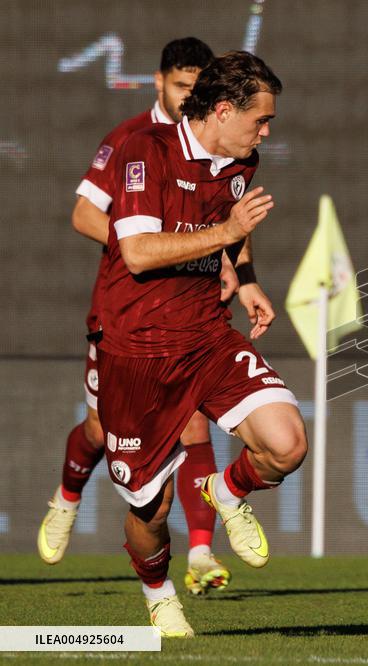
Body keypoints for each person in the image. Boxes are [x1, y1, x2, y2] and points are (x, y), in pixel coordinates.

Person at [99, 50, 307, 637]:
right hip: (136, 352)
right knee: (150, 510)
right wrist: (229, 233)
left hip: (205, 336)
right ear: (221, 110)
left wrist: (248, 280)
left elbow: (226, 233)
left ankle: (225, 489)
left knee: (286, 443)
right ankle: (158, 591)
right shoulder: (146, 151)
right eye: (260, 120)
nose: (266, 132)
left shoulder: (242, 163)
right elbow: (139, 254)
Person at [37, 37, 249, 597]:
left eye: (197, 87)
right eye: (181, 86)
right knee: (99, 429)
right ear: (158, 82)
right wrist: (152, 237)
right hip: (123, 313)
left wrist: (237, 273)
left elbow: (226, 220)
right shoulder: (132, 140)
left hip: (189, 315)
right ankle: (67, 496)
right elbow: (86, 214)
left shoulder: (221, 145)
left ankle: (200, 552)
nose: (189, 96)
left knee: (193, 420)